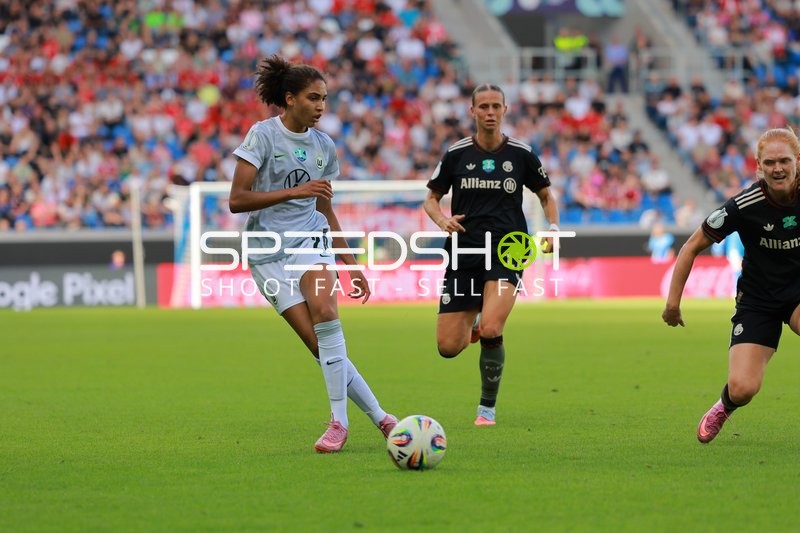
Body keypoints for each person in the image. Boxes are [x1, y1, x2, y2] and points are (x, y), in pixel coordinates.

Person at [228, 55, 396, 453]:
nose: (321, 106)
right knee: (320, 347)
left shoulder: (324, 147)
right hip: (267, 252)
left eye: (324, 98)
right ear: (290, 98)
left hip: (309, 240)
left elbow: (325, 210)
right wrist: (296, 191)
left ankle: (338, 423)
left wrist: (351, 265)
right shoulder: (262, 136)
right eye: (313, 98)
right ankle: (382, 417)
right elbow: (237, 200)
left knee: (325, 311)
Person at [423, 84, 559, 426]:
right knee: (448, 347)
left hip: (507, 249)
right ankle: (474, 322)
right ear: (472, 111)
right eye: (483, 106)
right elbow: (430, 199)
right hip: (464, 251)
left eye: (496, 106)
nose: (490, 112)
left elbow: (546, 196)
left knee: (493, 328)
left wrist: (553, 229)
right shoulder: (456, 154)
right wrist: (442, 220)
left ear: (505, 110)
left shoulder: (521, 154)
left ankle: (486, 408)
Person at [662, 127, 800, 443]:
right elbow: (691, 247)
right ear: (759, 165)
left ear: (797, 160)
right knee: (743, 388)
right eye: (770, 162)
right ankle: (724, 406)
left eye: (784, 161)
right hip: (758, 299)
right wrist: (672, 303)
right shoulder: (744, 205)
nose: (778, 169)